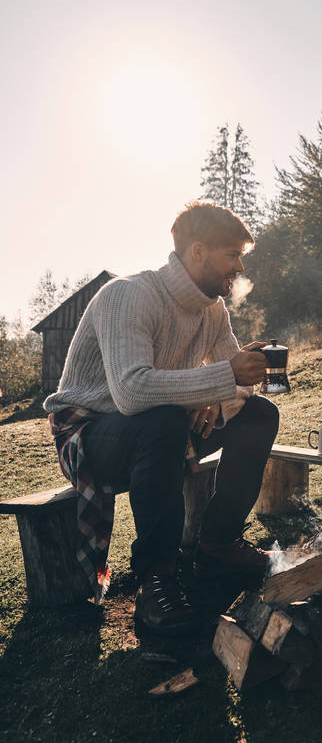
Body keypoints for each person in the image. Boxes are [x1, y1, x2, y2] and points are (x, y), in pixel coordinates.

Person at [44, 201, 278, 635]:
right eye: (233, 255)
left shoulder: (213, 310)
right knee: (165, 419)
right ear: (198, 251)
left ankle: (217, 545)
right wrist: (218, 381)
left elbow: (239, 381)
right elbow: (132, 392)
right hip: (91, 431)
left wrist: (217, 392)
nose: (240, 266)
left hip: (160, 423)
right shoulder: (129, 295)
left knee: (260, 413)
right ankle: (156, 578)